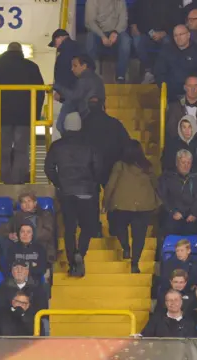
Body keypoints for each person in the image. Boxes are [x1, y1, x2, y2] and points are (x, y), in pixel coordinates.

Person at [45, 113, 102, 277]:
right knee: (87, 227)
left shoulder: (57, 146)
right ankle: (81, 253)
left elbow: (48, 168)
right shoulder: (90, 145)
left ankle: (72, 262)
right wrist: (92, 183)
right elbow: (98, 168)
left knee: (69, 229)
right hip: (86, 192)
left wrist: (59, 183)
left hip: (66, 192)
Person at [0, 42, 45, 184]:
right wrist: (35, 116)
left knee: (2, 149)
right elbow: (40, 93)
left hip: (2, 115)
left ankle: (3, 180)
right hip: (24, 116)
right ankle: (18, 180)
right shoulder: (31, 67)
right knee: (22, 150)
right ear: (21, 52)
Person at [103, 139, 159, 273]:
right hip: (144, 206)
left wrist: (105, 203)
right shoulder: (148, 166)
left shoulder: (119, 165)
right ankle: (135, 263)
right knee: (139, 236)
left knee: (119, 226)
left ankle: (125, 247)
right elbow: (156, 185)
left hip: (121, 205)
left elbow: (110, 185)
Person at [0, 191, 55, 271]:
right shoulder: (18, 216)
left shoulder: (44, 215)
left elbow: (48, 233)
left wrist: (28, 237)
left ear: (35, 203)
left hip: (38, 245)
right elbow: (1, 229)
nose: (27, 204)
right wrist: (9, 235)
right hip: (19, 245)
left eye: (29, 201)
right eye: (24, 202)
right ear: (21, 206)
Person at [155, 25, 197, 102]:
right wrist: (170, 91)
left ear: (188, 35)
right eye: (175, 35)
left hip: (195, 90)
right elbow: (159, 73)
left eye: (181, 34)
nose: (178, 38)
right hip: (173, 92)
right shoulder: (166, 51)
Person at [79, 98, 130, 186]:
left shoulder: (82, 125)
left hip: (90, 168)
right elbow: (126, 144)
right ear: (102, 106)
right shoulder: (114, 123)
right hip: (111, 166)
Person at [52, 54, 105, 138]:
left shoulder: (84, 79)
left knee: (61, 125)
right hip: (96, 113)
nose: (72, 69)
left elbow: (75, 96)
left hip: (88, 113)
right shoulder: (96, 79)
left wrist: (57, 87)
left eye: (75, 66)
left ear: (84, 66)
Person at [158, 149, 197, 236]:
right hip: (172, 215)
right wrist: (173, 211)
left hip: (192, 216)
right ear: (177, 163)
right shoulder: (167, 177)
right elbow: (163, 197)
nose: (186, 165)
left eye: (188, 163)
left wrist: (194, 213)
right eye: (183, 162)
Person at [130, 0, 177, 84]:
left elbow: (176, 21)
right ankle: (148, 72)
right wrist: (150, 33)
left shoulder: (172, 2)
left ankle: (162, 72)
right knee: (138, 42)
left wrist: (164, 32)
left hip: (167, 33)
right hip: (148, 32)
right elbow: (136, 14)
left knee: (168, 42)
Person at [84, 0, 131, 82]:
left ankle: (120, 75)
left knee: (126, 40)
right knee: (90, 38)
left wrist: (115, 32)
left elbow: (123, 19)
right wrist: (102, 36)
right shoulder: (92, 1)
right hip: (98, 33)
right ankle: (94, 74)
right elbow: (90, 22)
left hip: (116, 32)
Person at [165, 76, 197, 141]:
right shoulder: (174, 107)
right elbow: (171, 130)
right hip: (180, 144)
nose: (193, 89)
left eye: (195, 86)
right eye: (190, 86)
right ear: (185, 87)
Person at [48, 29, 80, 132]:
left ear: (60, 38)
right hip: (76, 91)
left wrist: (60, 91)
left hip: (70, 92)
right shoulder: (77, 47)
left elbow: (65, 72)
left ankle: (67, 145)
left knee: (60, 125)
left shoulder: (66, 50)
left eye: (55, 43)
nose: (56, 46)